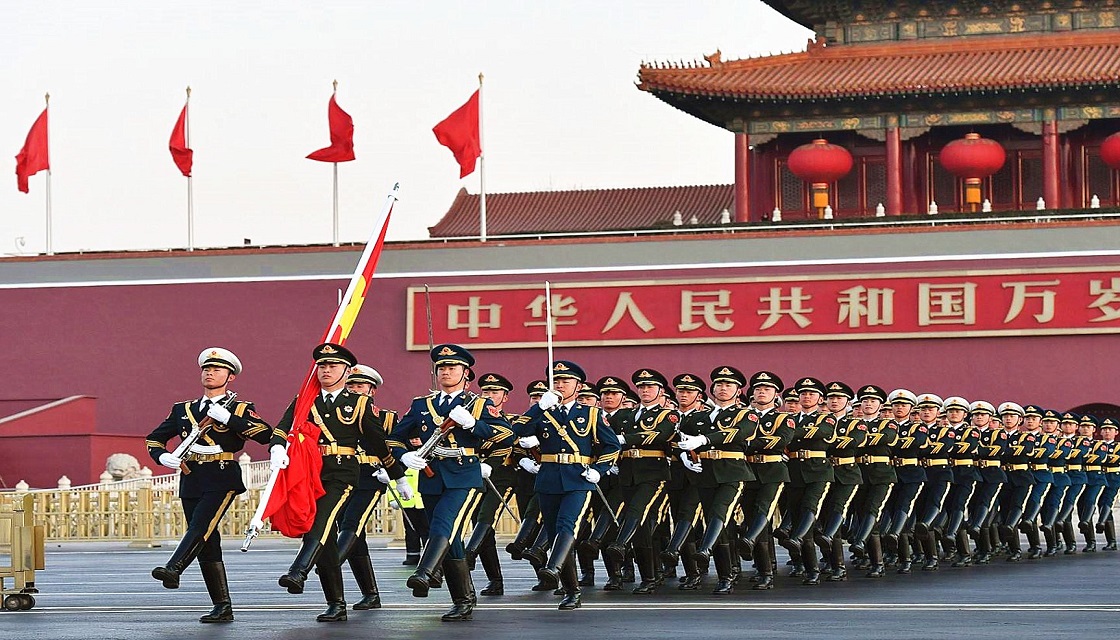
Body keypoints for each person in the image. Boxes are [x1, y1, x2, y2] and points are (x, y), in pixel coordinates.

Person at [270, 343, 407, 623]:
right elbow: (283, 427)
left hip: (342, 473)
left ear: (346, 371)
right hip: (311, 472)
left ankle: (299, 570)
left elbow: (377, 442)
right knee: (328, 541)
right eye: (322, 366)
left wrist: (398, 474)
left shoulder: (358, 403)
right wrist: (276, 447)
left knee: (320, 521)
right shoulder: (305, 400)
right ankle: (336, 603)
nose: (326, 370)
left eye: (332, 366)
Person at [388, 344, 513, 622]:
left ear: (465, 372)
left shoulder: (479, 404)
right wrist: (404, 455)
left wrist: (472, 425)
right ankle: (464, 599)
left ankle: (425, 571)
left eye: (452, 367)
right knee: (450, 536)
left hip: (463, 475)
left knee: (444, 523)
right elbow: (394, 437)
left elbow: (506, 435)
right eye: (441, 368)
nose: (445, 371)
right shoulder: (422, 404)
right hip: (431, 476)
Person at [147, 348, 273, 623]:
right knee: (206, 541)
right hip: (191, 477)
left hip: (222, 475)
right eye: (206, 368)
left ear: (230, 377)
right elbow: (154, 439)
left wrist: (230, 420)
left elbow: (266, 435)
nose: (210, 372)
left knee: (200, 527)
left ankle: (174, 567)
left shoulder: (239, 408)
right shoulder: (183, 409)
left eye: (217, 369)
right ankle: (222, 606)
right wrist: (162, 456)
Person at [514, 360, 621, 610]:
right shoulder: (543, 412)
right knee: (554, 533)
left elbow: (612, 446)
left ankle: (552, 568)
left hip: (579, 478)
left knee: (567, 526)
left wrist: (599, 469)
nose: (560, 385)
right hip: (549, 477)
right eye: (556, 381)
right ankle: (571, 590)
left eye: (566, 381)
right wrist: (539, 407)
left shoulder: (591, 413)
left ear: (579, 385)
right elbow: (517, 429)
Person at [675, 368, 756, 595]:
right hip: (706, 473)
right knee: (717, 523)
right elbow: (678, 437)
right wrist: (685, 455)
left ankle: (704, 550)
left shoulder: (746, 415)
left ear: (738, 391)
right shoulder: (698, 417)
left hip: (733, 472)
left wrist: (704, 439)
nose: (723, 388)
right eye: (719, 385)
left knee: (719, 514)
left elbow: (737, 434)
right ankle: (725, 576)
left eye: (728, 385)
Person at [334, 364, 397, 610]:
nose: (354, 389)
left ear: (372, 390)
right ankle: (370, 593)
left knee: (352, 523)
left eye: (359, 386)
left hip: (371, 477)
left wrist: (389, 467)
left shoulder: (387, 418)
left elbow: (396, 444)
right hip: (344, 475)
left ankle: (330, 564)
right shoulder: (339, 413)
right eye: (350, 385)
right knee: (354, 535)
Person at [464, 372, 520, 597]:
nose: (489, 395)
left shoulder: (511, 420)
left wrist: (491, 463)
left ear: (505, 397)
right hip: (474, 474)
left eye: (495, 392)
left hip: (502, 475)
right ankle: (495, 579)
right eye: (485, 391)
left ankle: (469, 555)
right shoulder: (473, 418)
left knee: (487, 517)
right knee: (481, 526)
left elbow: (510, 444)